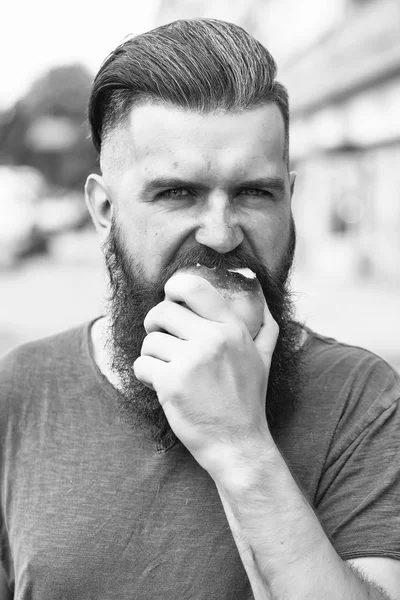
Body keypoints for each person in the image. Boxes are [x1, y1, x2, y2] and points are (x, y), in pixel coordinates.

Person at [0, 18, 399, 600]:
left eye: (253, 192)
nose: (219, 234)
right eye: (176, 193)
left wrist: (239, 444)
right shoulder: (20, 390)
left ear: (291, 199)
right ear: (105, 210)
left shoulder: (363, 400)